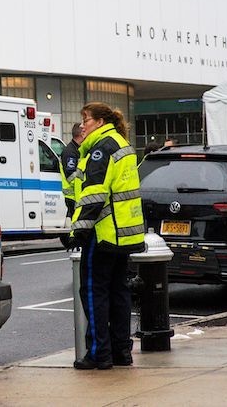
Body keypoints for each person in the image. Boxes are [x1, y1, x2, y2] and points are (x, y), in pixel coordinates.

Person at [67, 102, 146, 370]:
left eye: (86, 120)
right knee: (119, 292)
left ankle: (99, 353)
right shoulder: (121, 144)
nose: (82, 126)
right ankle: (122, 351)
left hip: (102, 234)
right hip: (123, 235)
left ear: (100, 122)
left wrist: (79, 230)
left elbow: (94, 195)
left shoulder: (101, 149)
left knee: (93, 292)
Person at [60, 122, 85, 219]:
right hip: (72, 196)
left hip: (77, 195)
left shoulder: (78, 149)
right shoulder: (70, 152)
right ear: (81, 134)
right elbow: (70, 175)